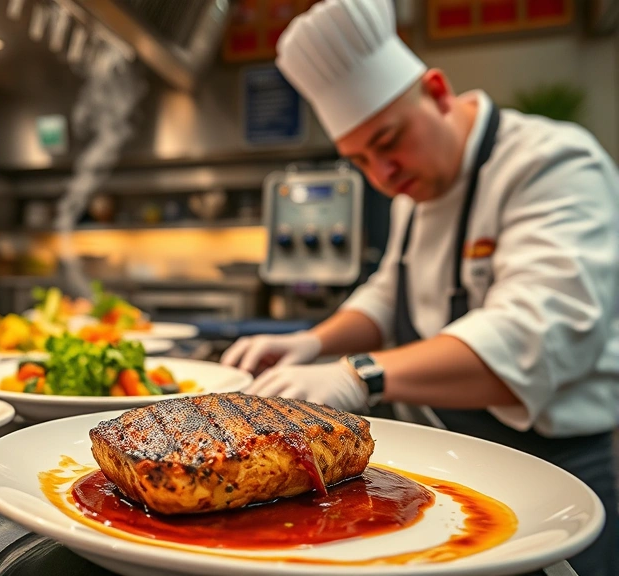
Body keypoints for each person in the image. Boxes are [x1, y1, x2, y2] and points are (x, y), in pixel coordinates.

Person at [221, 1, 619, 573]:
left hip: (554, 465)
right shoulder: (419, 183)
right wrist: (315, 341)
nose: (382, 175)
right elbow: (392, 289)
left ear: (435, 92)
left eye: (388, 141)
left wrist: (359, 375)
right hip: (454, 454)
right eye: (359, 160)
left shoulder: (554, 164)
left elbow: (533, 336)